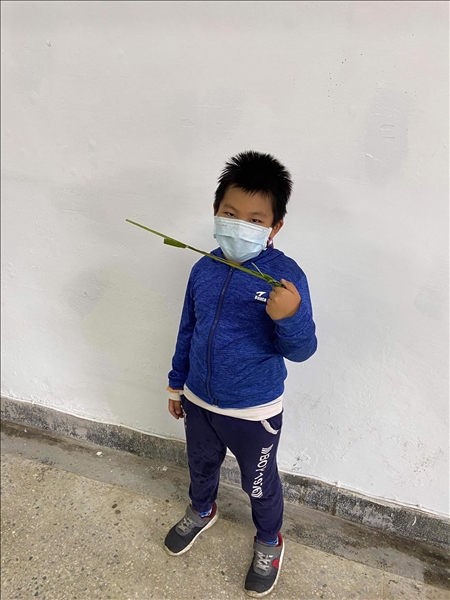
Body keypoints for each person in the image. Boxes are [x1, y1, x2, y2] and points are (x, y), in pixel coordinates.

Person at [164, 150, 317, 597]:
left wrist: (290, 317)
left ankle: (269, 540)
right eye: (230, 215)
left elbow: (302, 350)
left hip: (254, 410)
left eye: (254, 219)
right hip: (199, 399)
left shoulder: (285, 278)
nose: (239, 225)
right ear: (216, 211)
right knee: (200, 464)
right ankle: (202, 509)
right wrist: (176, 383)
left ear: (274, 227)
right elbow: (188, 329)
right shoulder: (203, 268)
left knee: (259, 483)